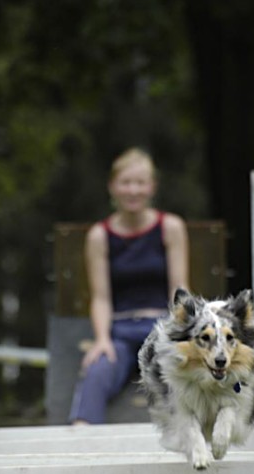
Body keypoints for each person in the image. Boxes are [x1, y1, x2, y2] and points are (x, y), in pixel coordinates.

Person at [70, 147, 189, 424]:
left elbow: (179, 288)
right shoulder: (99, 236)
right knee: (98, 370)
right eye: (126, 182)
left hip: (161, 326)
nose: (133, 190)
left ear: (152, 187)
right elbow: (100, 297)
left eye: (140, 182)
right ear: (113, 187)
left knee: (182, 371)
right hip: (120, 331)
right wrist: (101, 339)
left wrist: (180, 332)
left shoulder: (170, 227)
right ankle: (83, 437)